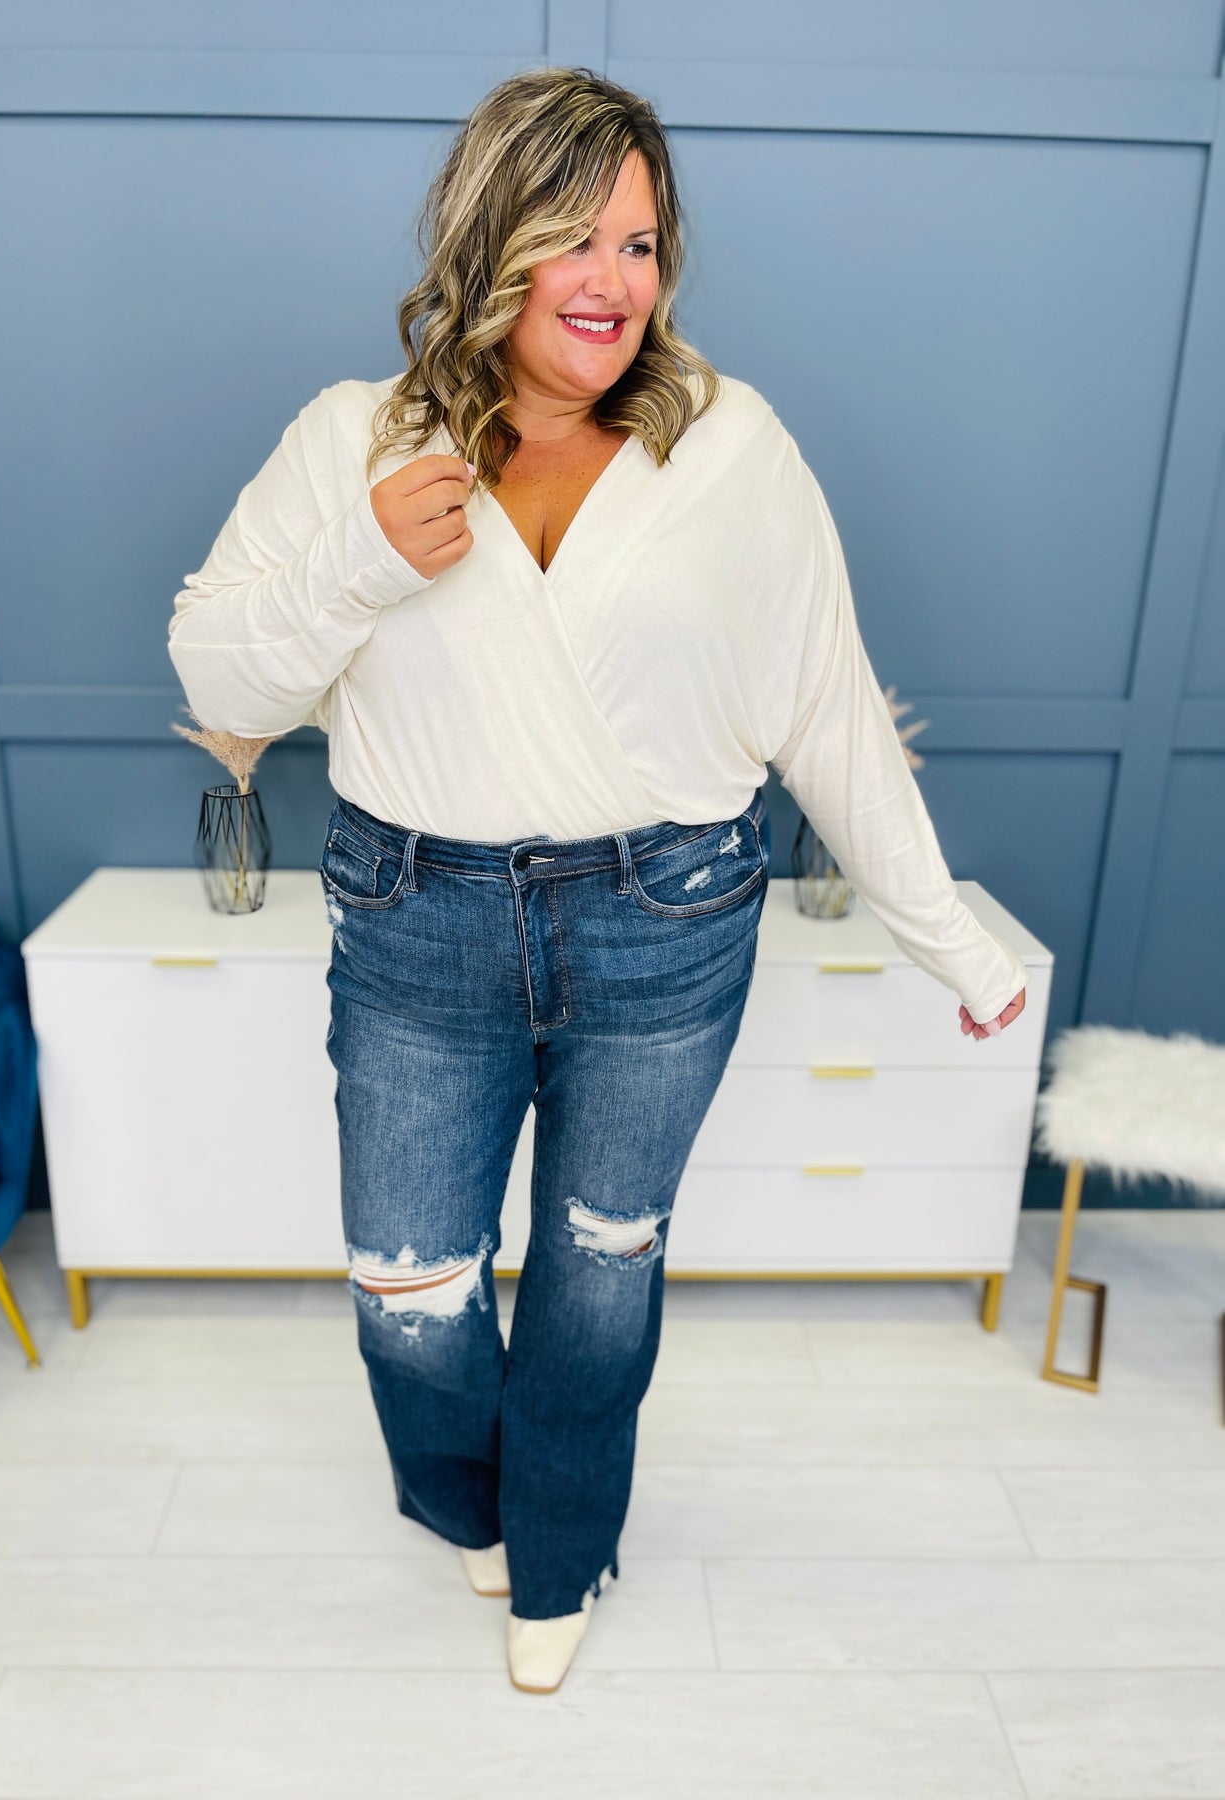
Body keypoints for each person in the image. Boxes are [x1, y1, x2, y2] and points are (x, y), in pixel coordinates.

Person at [166, 66, 1028, 1694]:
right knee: (409, 1286)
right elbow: (217, 677)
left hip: (666, 925)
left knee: (598, 1268)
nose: (611, 282)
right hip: (414, 925)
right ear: (490, 240)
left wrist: (955, 945)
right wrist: (360, 560)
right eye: (572, 237)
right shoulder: (355, 439)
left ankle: (559, 1553)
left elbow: (826, 708)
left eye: (638, 244)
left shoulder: (730, 446)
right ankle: (468, 1502)